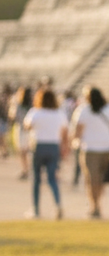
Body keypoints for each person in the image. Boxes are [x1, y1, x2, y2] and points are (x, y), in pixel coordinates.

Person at [71, 85, 109, 219]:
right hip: (106, 147)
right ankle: (96, 204)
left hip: (90, 148)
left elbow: (78, 131)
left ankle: (94, 204)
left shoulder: (84, 110)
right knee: (99, 179)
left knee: (92, 179)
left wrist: (74, 142)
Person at [22, 88, 69, 219]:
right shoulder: (59, 114)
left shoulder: (35, 112)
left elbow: (27, 126)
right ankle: (58, 205)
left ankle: (36, 209)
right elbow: (65, 133)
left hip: (39, 146)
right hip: (54, 146)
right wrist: (65, 148)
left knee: (36, 179)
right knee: (52, 178)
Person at [10, 85, 33, 180]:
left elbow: (14, 117)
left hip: (22, 129)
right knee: (29, 151)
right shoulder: (33, 105)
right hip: (31, 130)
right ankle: (29, 169)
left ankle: (25, 170)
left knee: (22, 152)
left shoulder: (19, 105)